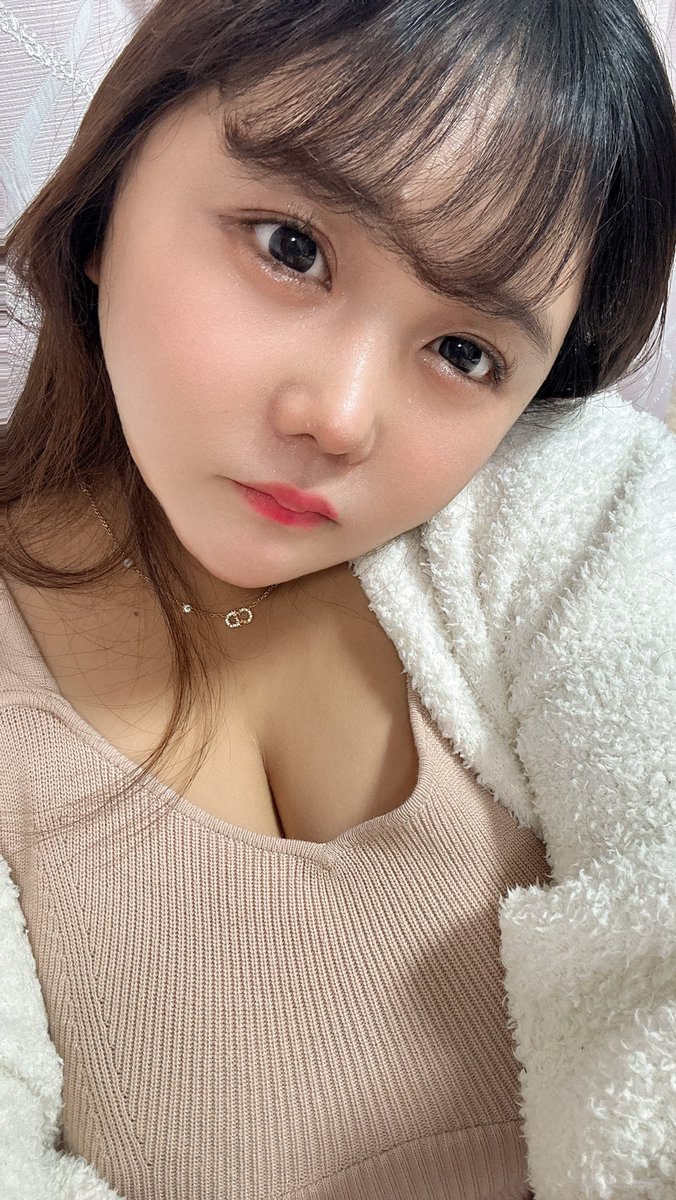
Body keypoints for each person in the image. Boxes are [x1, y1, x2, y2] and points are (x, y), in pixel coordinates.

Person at [1, 1, 674, 1197]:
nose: (342, 418)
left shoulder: (573, 510)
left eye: (463, 353)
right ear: (109, 192)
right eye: (291, 247)